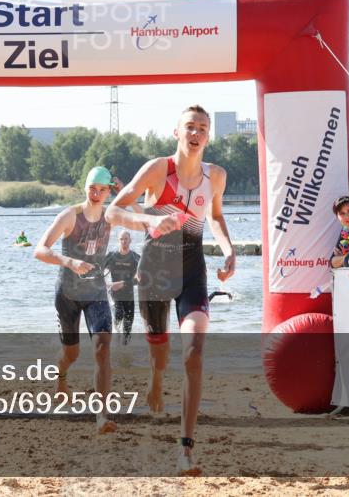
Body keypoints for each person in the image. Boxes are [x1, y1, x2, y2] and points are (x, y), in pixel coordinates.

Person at [104, 105, 234, 476]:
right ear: (176, 132)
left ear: (208, 136)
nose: (196, 134)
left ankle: (185, 451)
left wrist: (229, 251)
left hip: (193, 272)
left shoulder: (216, 176)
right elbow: (114, 211)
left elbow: (217, 216)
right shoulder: (158, 170)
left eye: (203, 129)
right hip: (154, 273)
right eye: (190, 127)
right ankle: (156, 378)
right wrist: (149, 219)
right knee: (160, 354)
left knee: (193, 353)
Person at [34, 166, 120, 434]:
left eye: (101, 189)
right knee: (72, 353)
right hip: (68, 294)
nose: (95, 194)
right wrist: (67, 260)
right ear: (85, 188)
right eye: (91, 188)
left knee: (102, 348)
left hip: (96, 292)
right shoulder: (70, 216)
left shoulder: (111, 216)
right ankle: (60, 379)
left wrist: (127, 189)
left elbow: (144, 217)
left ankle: (102, 415)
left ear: (109, 191)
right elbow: (40, 250)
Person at [102, 230, 140, 345]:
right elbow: (97, 271)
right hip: (115, 295)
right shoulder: (111, 256)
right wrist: (106, 285)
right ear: (118, 241)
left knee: (128, 327)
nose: (124, 241)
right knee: (118, 315)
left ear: (130, 240)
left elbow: (140, 278)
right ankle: (114, 342)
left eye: (126, 239)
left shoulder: (135, 258)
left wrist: (123, 283)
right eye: (121, 239)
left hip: (129, 296)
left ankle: (124, 353)